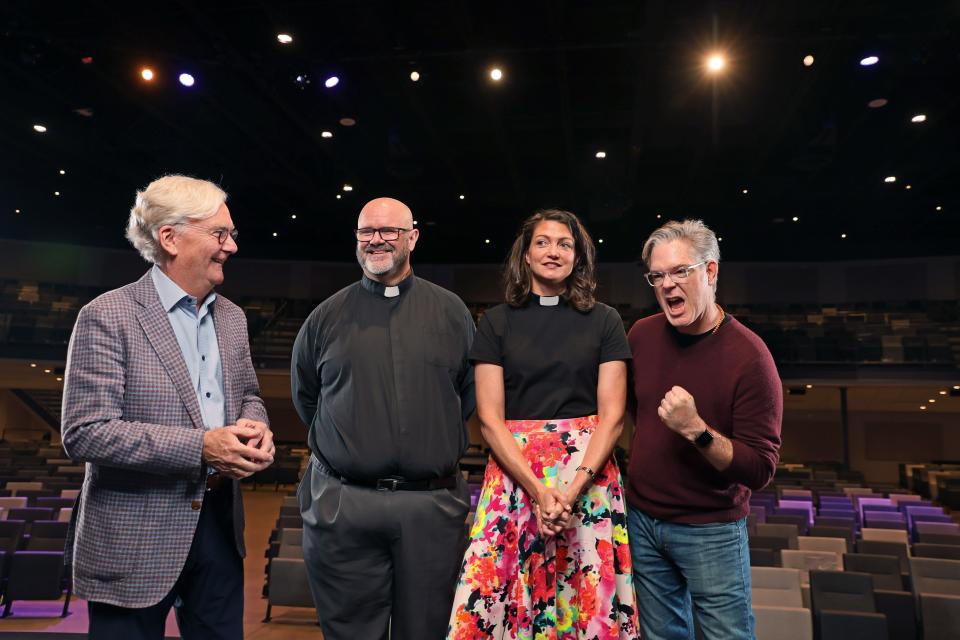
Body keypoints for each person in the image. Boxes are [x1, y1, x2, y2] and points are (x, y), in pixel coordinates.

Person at [61, 174, 275, 639]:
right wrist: (201, 447)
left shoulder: (233, 318)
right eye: (220, 234)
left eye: (231, 234)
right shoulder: (107, 314)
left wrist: (255, 427)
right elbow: (86, 431)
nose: (231, 246)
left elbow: (250, 396)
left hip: (219, 530)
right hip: (134, 538)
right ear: (170, 237)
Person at [448, 209, 641, 640]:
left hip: (587, 479)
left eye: (565, 244)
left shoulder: (606, 321)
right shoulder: (495, 322)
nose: (553, 251)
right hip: (515, 476)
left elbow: (612, 419)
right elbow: (489, 418)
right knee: (498, 593)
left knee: (584, 600)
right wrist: (539, 490)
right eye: (543, 242)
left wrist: (570, 492)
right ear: (526, 254)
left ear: (578, 257)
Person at [291, 197, 476, 640]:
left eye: (389, 231)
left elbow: (466, 399)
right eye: (366, 231)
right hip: (344, 506)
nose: (377, 240)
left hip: (429, 508)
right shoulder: (324, 318)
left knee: (427, 633)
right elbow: (306, 400)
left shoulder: (452, 313)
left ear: (412, 238)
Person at [626, 219, 782, 640]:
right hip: (641, 520)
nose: (667, 285)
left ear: (710, 272)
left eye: (680, 272)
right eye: (657, 276)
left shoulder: (751, 357)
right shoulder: (641, 335)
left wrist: (696, 430)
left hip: (710, 530)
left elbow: (760, 469)